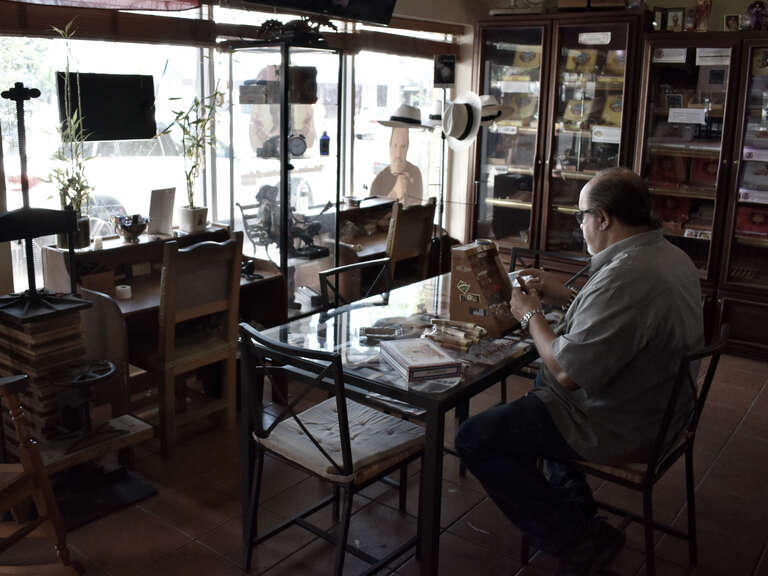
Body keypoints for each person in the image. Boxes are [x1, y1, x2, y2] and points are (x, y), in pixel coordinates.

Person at [455, 167, 703, 574]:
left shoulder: (628, 275)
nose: (581, 224)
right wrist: (565, 291)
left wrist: (530, 313)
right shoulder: (663, 255)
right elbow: (618, 325)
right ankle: (576, 502)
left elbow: (569, 373)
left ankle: (576, 536)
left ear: (603, 219)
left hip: (624, 422)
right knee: (540, 389)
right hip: (663, 407)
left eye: (581, 216)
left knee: (475, 436)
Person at [369, 126, 424, 206]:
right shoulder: (378, 182)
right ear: (390, 147)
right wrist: (394, 193)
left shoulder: (415, 173)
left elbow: (418, 209)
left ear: (407, 148)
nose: (398, 153)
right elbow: (373, 214)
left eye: (403, 146)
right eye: (395, 145)